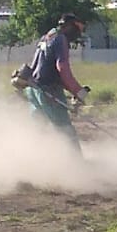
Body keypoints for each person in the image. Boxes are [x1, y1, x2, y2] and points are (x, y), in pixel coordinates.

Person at [22, 13, 90, 153]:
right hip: (49, 91)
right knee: (65, 130)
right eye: (79, 29)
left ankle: (33, 162)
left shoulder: (47, 37)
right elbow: (62, 68)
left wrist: (72, 90)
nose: (78, 33)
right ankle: (77, 165)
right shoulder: (61, 39)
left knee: (38, 130)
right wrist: (78, 92)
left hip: (34, 89)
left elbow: (39, 67)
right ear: (70, 26)